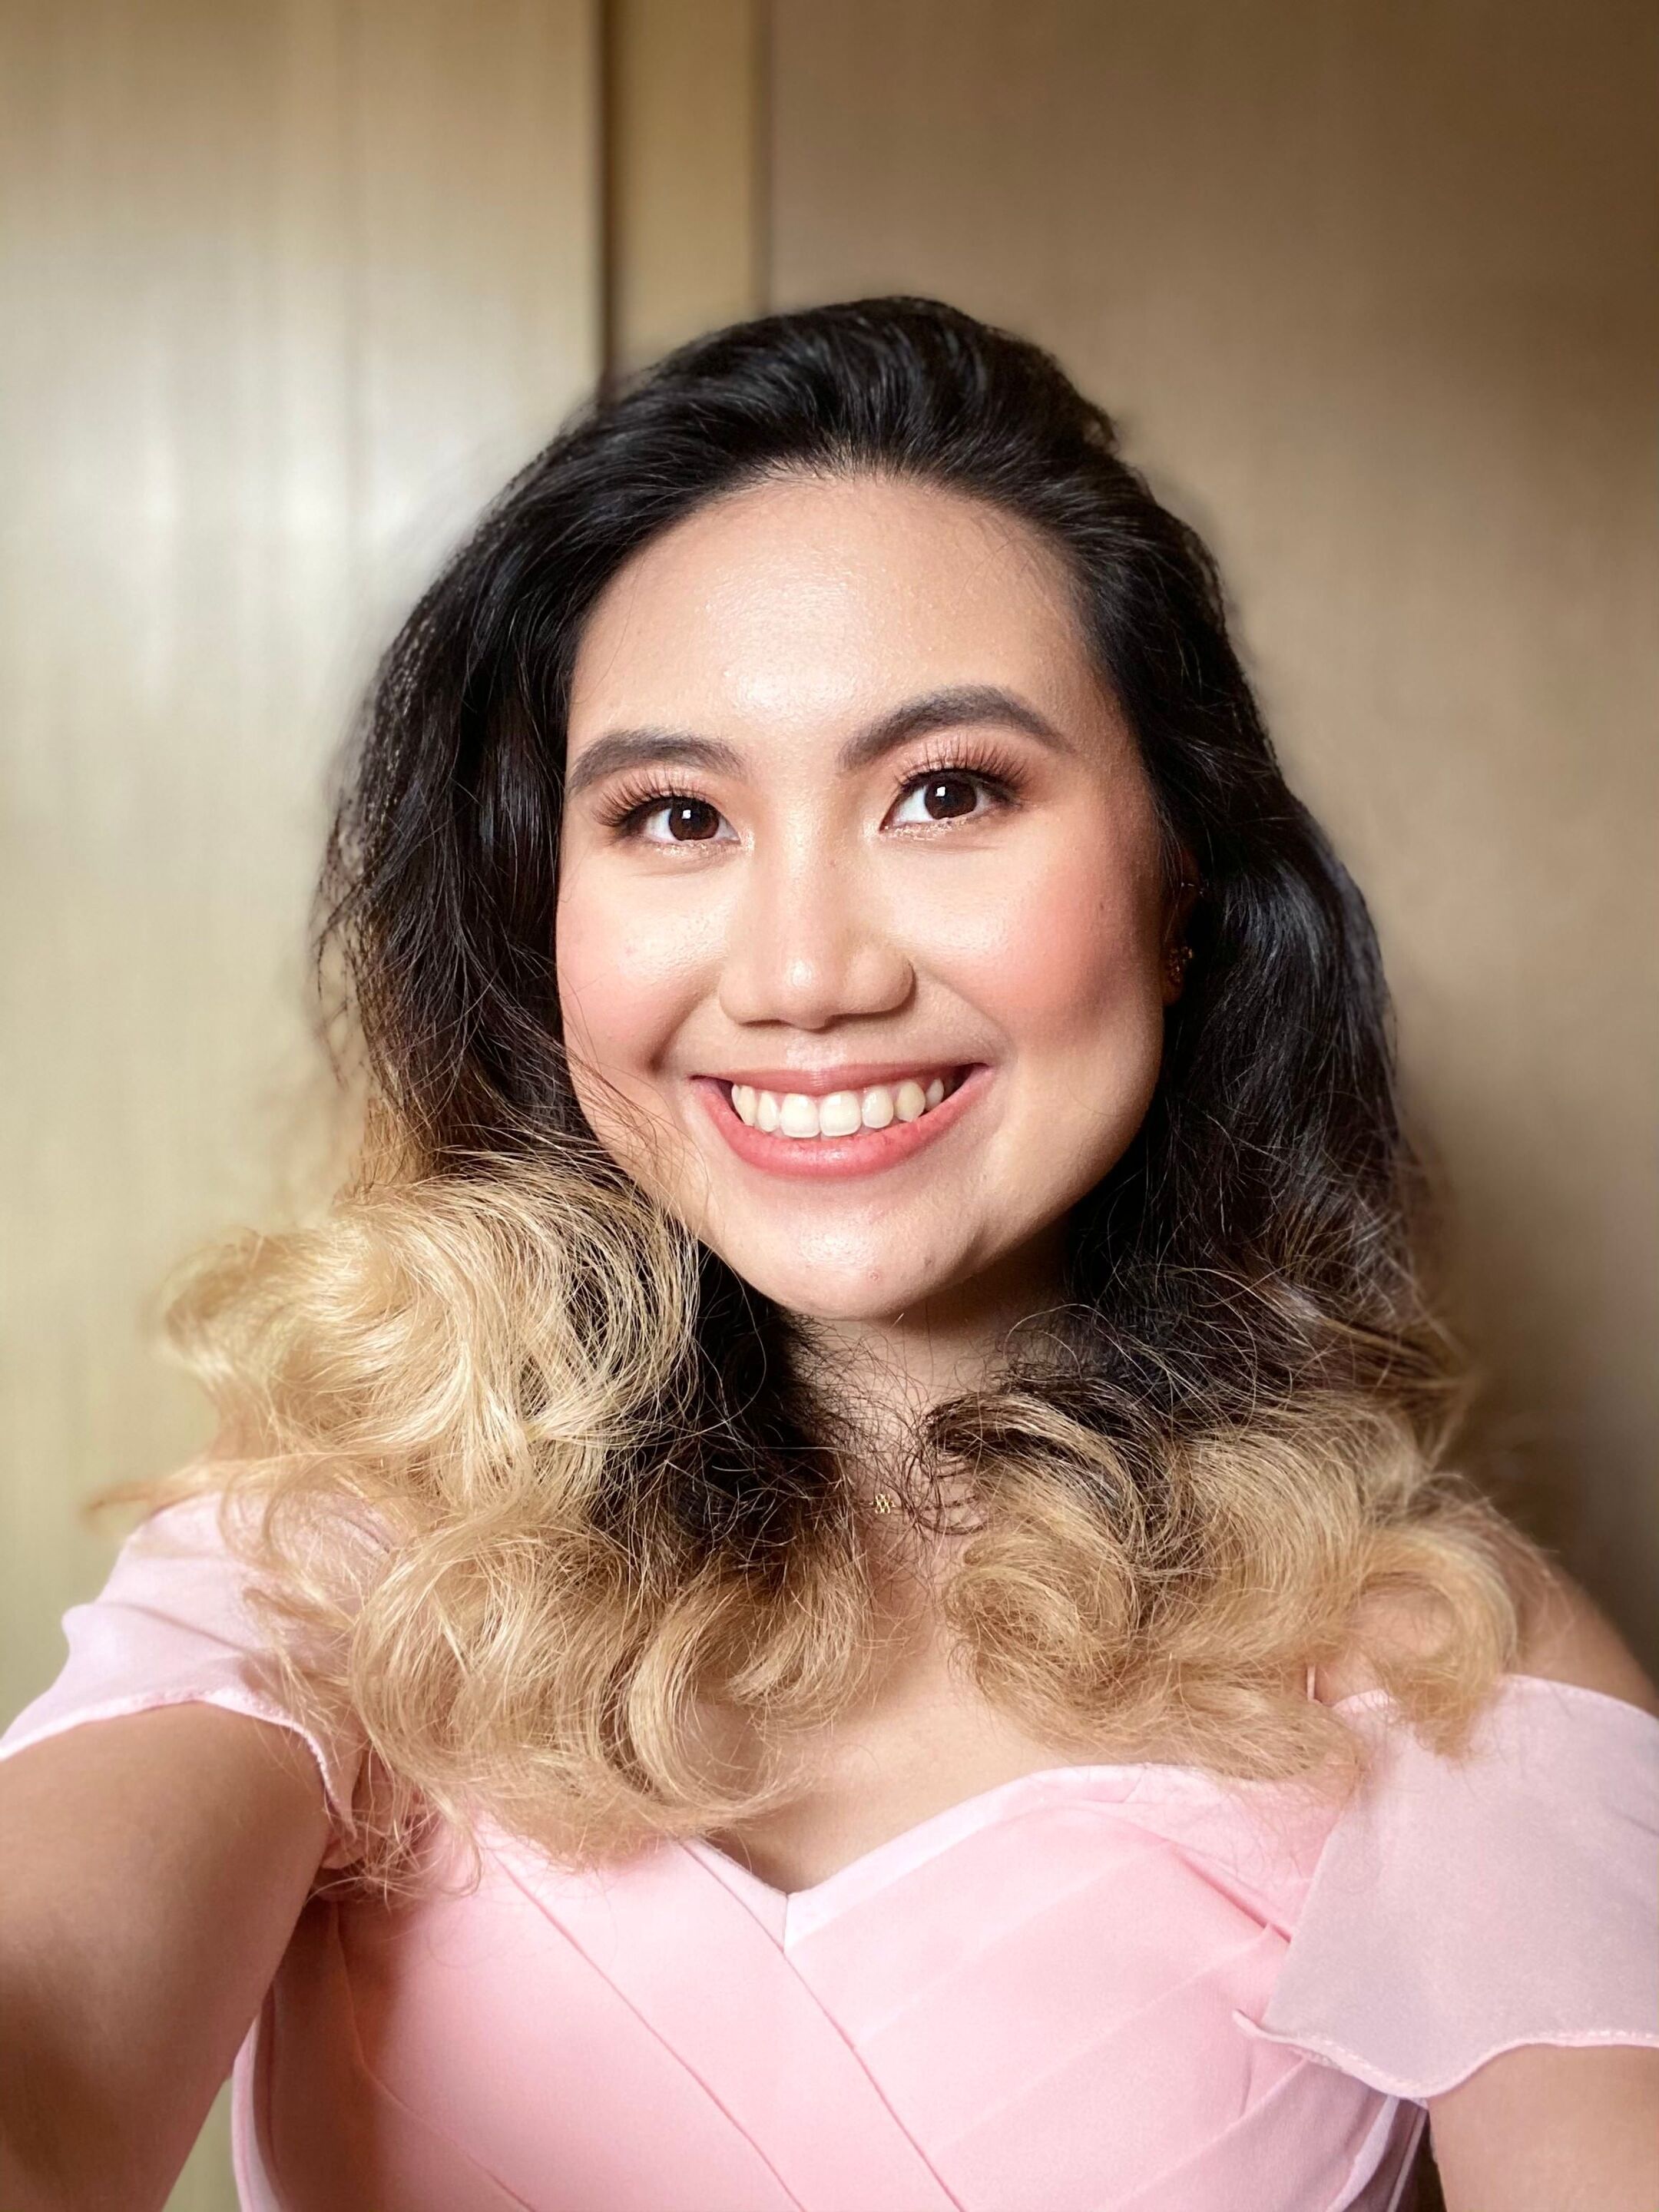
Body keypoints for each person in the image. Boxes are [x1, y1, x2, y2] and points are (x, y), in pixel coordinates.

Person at [2, 297, 1655, 2212]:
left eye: (948, 792)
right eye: (675, 814)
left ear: (1184, 883)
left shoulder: (1445, 1666)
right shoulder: (331, 1570)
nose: (802, 977)